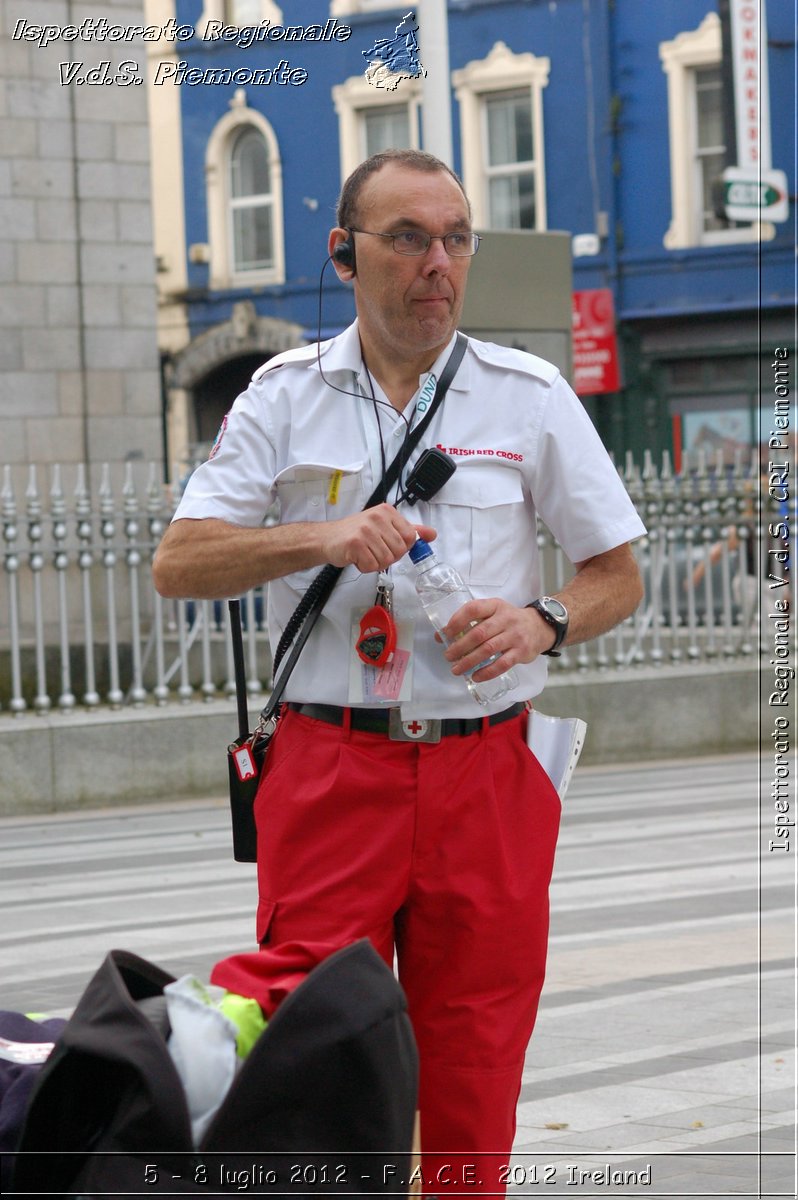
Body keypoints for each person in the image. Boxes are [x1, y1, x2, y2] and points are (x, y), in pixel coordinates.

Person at [153, 149, 646, 1196]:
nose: (438, 263)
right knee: (316, 1049)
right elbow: (180, 561)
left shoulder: (530, 395)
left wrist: (542, 622)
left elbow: (616, 575)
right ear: (345, 254)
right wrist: (320, 537)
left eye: (456, 239)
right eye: (409, 238)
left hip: (487, 773)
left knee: (475, 1061)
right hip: (331, 771)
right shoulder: (282, 398)